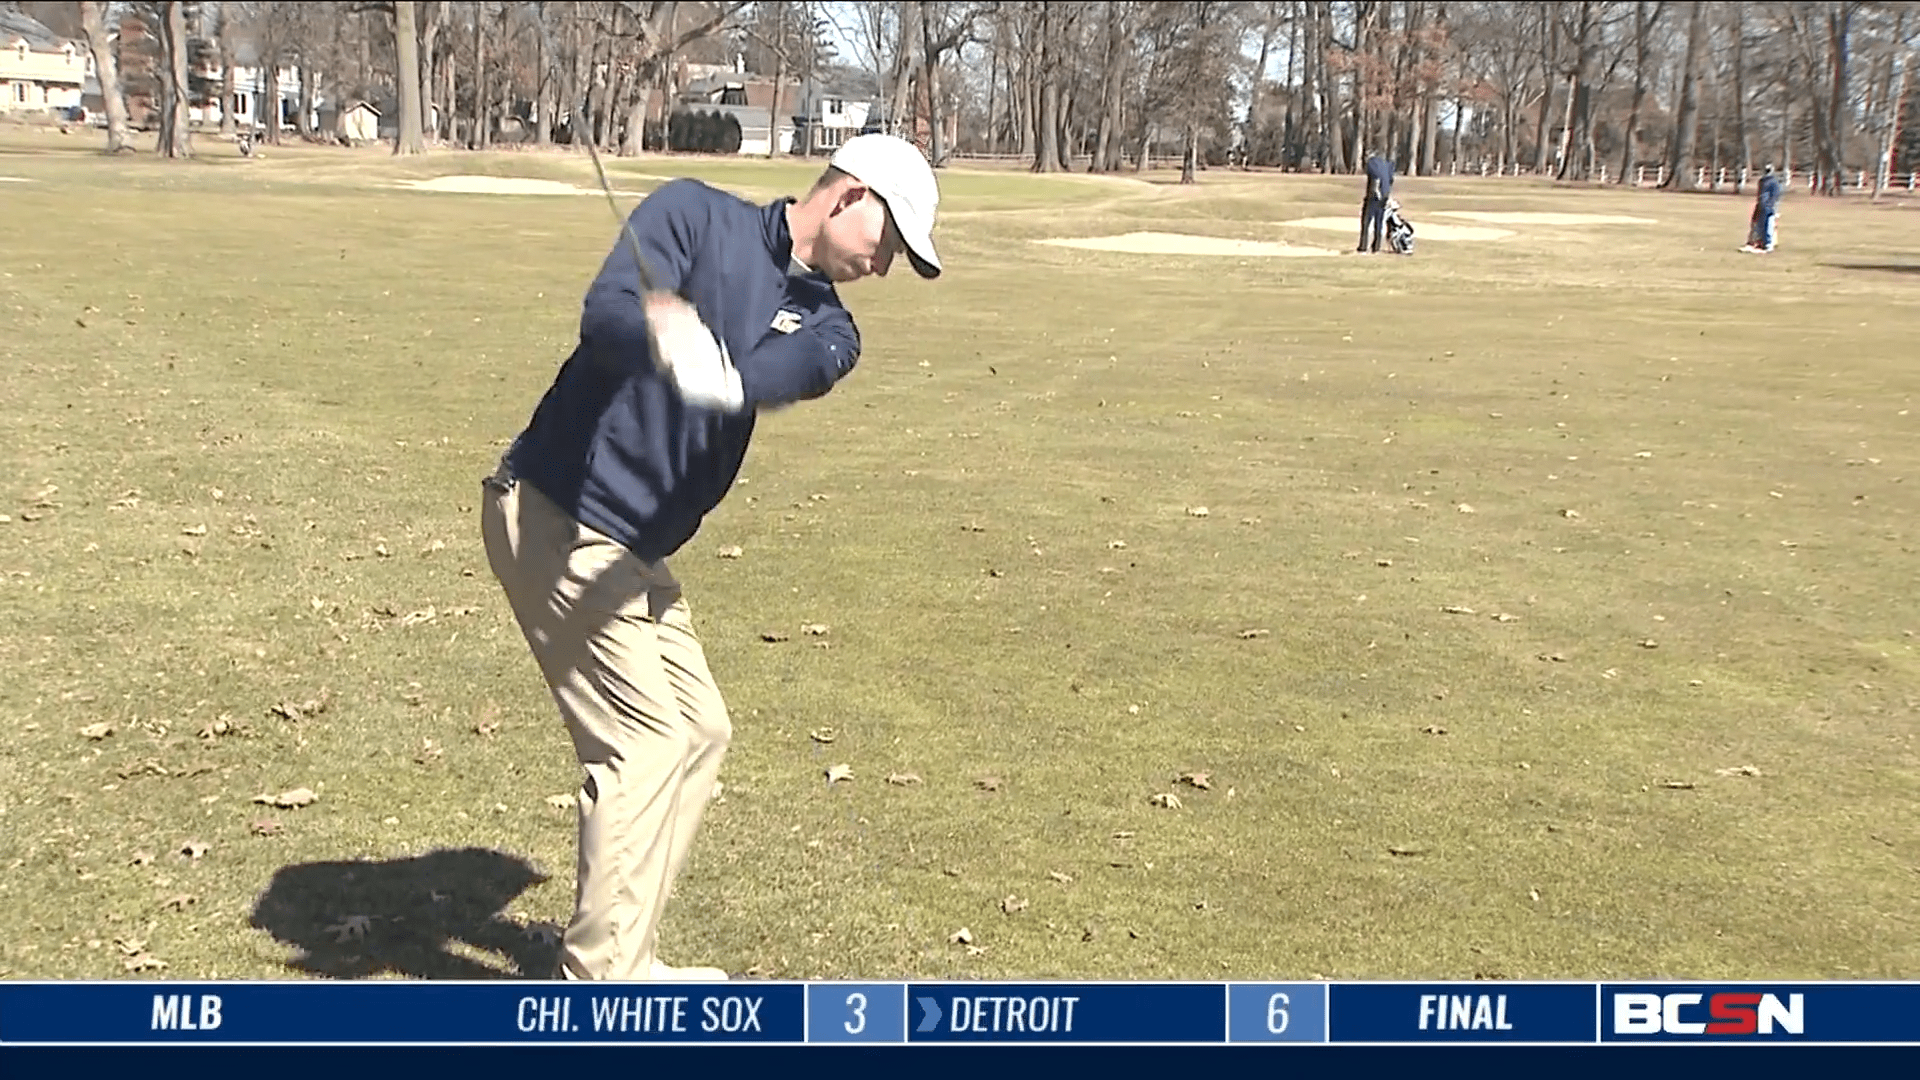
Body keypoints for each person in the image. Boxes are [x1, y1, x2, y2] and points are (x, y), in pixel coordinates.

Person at [480, 133, 943, 982]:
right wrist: (659, 332)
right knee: (645, 743)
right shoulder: (692, 214)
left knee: (699, 730)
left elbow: (798, 364)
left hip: (633, 547)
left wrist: (723, 374)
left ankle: (629, 952)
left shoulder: (833, 324)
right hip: (560, 514)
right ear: (850, 198)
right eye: (891, 242)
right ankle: (599, 988)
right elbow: (608, 312)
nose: (886, 267)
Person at [1358, 153, 1395, 254]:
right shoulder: (1387, 164)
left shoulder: (1372, 164)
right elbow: (1391, 179)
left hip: (1374, 195)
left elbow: (1375, 179)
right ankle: (1376, 247)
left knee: (1366, 221)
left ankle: (1363, 247)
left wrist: (1374, 193)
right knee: (1379, 222)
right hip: (1384, 195)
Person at [1742, 165, 1783, 253]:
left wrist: (1771, 206)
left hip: (1769, 207)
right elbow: (1760, 195)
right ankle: (1761, 242)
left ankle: (1768, 244)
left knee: (1769, 225)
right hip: (1762, 206)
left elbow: (1775, 196)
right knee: (1760, 225)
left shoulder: (1773, 182)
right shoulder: (1762, 181)